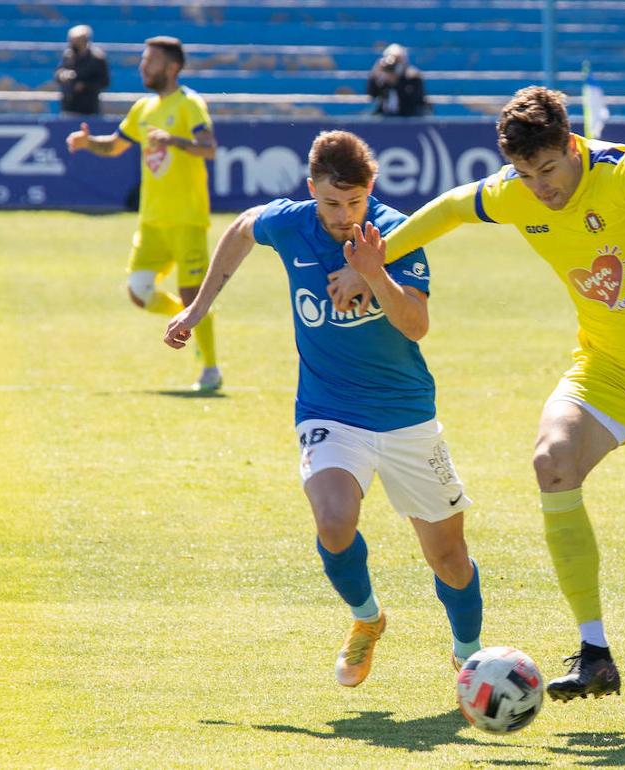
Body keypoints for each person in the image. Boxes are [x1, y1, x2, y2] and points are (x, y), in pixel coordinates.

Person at [337, 86, 625, 703]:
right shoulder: (517, 193)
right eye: (524, 173)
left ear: (572, 146)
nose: (539, 187)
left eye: (547, 169)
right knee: (552, 462)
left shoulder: (622, 171)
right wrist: (374, 263)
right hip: (607, 366)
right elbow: (454, 207)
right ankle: (595, 652)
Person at [162, 130, 484, 685]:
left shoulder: (398, 233)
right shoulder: (291, 222)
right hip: (329, 410)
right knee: (334, 523)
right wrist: (198, 307)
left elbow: (417, 325)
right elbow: (241, 228)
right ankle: (367, 620)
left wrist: (373, 272)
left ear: (371, 191)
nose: (343, 215)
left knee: (449, 558)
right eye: (332, 203)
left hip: (408, 414)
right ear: (312, 190)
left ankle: (470, 657)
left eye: (355, 202)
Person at [66, 36, 222, 391]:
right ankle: (187, 320)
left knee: (191, 293)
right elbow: (116, 145)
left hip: (187, 219)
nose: (142, 66)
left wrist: (174, 141)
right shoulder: (143, 108)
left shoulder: (190, 104)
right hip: (151, 221)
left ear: (172, 67)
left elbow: (209, 148)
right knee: (139, 291)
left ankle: (210, 368)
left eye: (150, 60)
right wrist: (89, 142)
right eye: (142, 59)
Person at [55, 24, 111, 116]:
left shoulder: (97, 58)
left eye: (76, 41)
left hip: (89, 108)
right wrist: (63, 75)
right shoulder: (68, 56)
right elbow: (58, 74)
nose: (72, 44)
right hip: (68, 106)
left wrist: (85, 85)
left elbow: (104, 82)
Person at [366, 44, 430, 117]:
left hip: (409, 115)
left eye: (397, 60)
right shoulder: (383, 78)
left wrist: (396, 82)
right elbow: (372, 94)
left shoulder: (412, 77)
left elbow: (414, 100)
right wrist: (375, 74)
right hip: (386, 114)